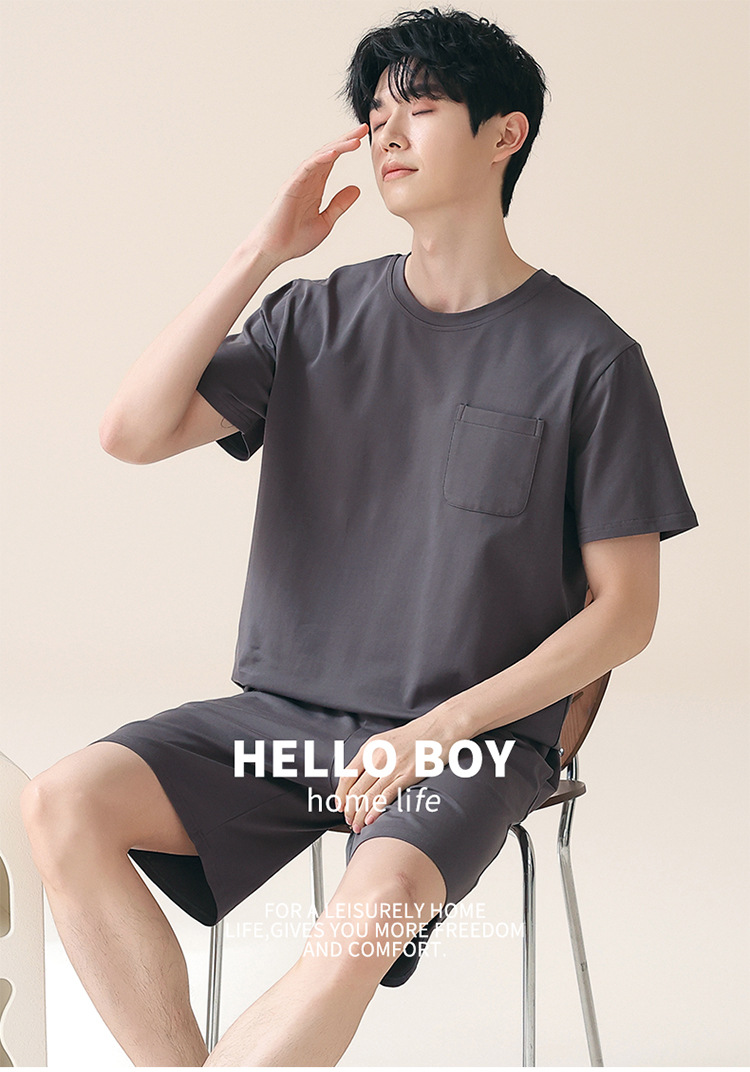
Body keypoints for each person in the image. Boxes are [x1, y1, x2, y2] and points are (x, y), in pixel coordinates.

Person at [20, 6, 699, 1067]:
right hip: (283, 727)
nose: (387, 132)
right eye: (375, 113)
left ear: (505, 133)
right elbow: (131, 432)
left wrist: (438, 730)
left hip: (467, 743)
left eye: (419, 107)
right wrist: (261, 251)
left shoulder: (591, 359)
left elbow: (628, 615)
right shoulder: (314, 317)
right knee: (62, 803)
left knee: (364, 914)